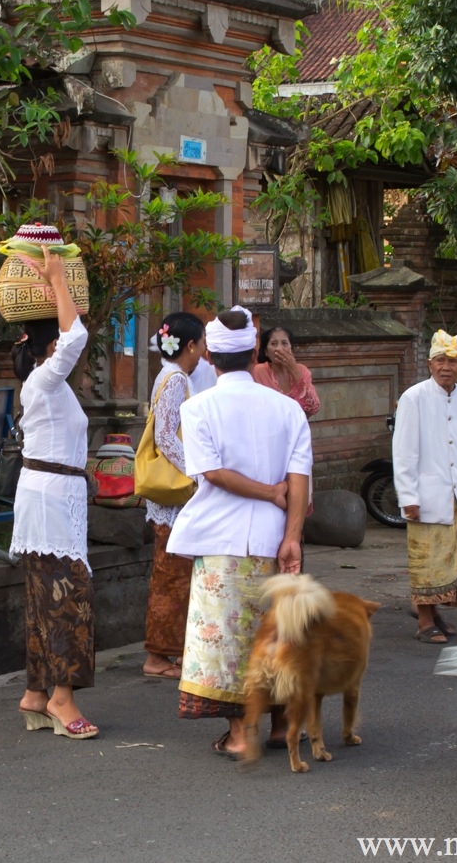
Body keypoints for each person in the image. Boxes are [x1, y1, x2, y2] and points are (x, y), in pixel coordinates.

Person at [167, 306, 311, 759]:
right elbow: (300, 480)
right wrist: (291, 536)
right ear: (255, 350)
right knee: (278, 633)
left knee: (226, 640)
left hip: (221, 540)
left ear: (208, 355)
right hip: (275, 538)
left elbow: (211, 473)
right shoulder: (288, 409)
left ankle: (240, 732)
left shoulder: (197, 408)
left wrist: (268, 493)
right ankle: (281, 724)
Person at [10, 249, 99, 739]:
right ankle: (61, 698)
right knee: (68, 597)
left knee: (47, 597)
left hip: (55, 492)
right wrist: (59, 280)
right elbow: (77, 336)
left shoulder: (49, 386)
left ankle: (37, 694)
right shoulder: (43, 380)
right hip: (48, 498)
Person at [393, 330, 457, 644]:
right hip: (426, 495)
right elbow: (404, 451)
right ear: (429, 364)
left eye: (454, 361)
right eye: (441, 360)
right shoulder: (414, 397)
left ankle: (432, 611)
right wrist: (408, 496)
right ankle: (425, 621)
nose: (447, 367)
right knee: (429, 561)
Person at [140, 312, 207, 680]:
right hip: (174, 495)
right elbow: (166, 436)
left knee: (174, 573)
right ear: (191, 344)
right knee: (172, 575)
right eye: (201, 343)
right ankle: (158, 654)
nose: (203, 351)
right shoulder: (177, 378)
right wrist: (197, 472)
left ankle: (169, 649)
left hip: (171, 495)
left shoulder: (167, 375)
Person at [252, 324, 321, 418]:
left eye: (284, 343)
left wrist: (293, 369)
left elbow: (313, 408)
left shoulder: (302, 370)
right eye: (273, 344)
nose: (279, 349)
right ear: (266, 352)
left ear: (292, 349)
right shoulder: (258, 371)